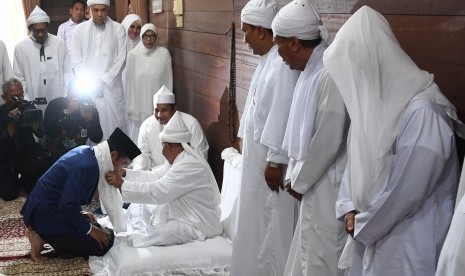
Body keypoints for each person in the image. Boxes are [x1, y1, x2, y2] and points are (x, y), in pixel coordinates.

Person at [324, 6, 462, 276]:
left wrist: (363, 223)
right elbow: (357, 161)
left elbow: (406, 193)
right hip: (372, 232)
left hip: (409, 241)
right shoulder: (375, 108)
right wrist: (350, 207)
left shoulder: (425, 113)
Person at [270, 1, 350, 275]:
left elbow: (329, 138)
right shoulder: (310, 70)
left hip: (327, 187)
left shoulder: (328, 73)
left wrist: (300, 180)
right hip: (311, 183)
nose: (277, 53)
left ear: (293, 43)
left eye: (278, 44)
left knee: (322, 261)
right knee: (307, 257)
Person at [230, 0, 300, 275]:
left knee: (270, 226)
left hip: (271, 165)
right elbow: (254, 109)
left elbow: (282, 112)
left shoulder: (282, 63)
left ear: (261, 31)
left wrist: (274, 160)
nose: (245, 39)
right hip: (257, 159)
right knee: (254, 223)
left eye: (247, 31)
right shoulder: (268, 60)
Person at [20, 127, 141, 263]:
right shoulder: (88, 167)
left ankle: (45, 231)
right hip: (45, 213)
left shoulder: (88, 151)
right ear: (112, 155)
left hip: (48, 206)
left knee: (93, 224)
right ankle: (40, 234)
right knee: (102, 245)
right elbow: (66, 205)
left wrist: (80, 214)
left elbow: (66, 193)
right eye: (122, 163)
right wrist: (90, 230)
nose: (119, 169)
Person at [105, 112, 222, 247]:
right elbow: (156, 177)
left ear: (167, 146)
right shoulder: (179, 159)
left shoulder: (189, 165)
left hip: (198, 222)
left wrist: (123, 185)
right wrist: (125, 174)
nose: (162, 151)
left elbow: (159, 192)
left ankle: (125, 243)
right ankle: (129, 233)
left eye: (162, 146)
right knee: (141, 209)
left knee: (159, 233)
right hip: (183, 215)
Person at [72, 0, 127, 140]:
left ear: (108, 10)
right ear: (89, 9)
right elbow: (76, 59)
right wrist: (89, 81)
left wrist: (104, 80)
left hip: (111, 86)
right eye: (96, 10)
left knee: (115, 128)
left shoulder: (118, 29)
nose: (100, 14)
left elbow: (121, 59)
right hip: (88, 88)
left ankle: (115, 158)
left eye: (103, 10)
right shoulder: (79, 30)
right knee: (92, 127)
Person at [131, 85, 208, 171]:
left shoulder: (191, 124)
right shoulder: (147, 125)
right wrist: (138, 171)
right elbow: (143, 154)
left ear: (175, 109)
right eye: (156, 110)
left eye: (164, 110)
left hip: (183, 174)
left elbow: (200, 157)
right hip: (155, 174)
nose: (159, 115)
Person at [123, 23, 173, 143]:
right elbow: (128, 83)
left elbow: (168, 80)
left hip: (157, 104)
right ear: (141, 37)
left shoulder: (163, 54)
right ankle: (137, 159)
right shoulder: (133, 55)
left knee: (157, 133)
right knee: (138, 134)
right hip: (139, 103)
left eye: (152, 36)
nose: (149, 40)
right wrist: (129, 105)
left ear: (156, 37)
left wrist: (168, 105)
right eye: (145, 36)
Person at [0, 78, 48, 200]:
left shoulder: (29, 106)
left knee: (37, 188)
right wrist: (10, 120)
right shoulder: (1, 112)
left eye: (21, 94)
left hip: (27, 154)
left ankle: (24, 179)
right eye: (14, 96)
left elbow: (41, 134)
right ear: (4, 97)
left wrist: (33, 122)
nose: (19, 99)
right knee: (9, 194)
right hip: (7, 156)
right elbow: (3, 143)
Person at [13, 6, 70, 106]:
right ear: (30, 28)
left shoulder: (59, 44)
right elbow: (19, 77)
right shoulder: (20, 48)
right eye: (36, 30)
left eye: (43, 30)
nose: (40, 34)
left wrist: (65, 95)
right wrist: (26, 101)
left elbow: (68, 72)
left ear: (48, 27)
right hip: (31, 101)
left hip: (58, 99)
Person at [43, 79, 103, 163]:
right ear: (68, 92)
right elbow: (48, 130)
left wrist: (89, 120)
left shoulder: (88, 108)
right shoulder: (55, 104)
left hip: (78, 157)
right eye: (73, 93)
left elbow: (97, 138)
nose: (76, 98)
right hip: (54, 156)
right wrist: (66, 113)